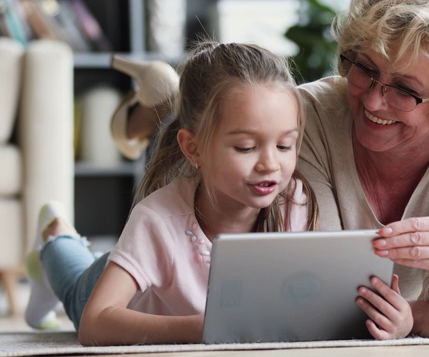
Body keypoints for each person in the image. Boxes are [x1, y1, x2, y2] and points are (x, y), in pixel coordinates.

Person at [104, 0, 429, 339]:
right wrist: (416, 318)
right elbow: (320, 291)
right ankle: (61, 240)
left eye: (404, 90)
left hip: (204, 279)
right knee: (88, 279)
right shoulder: (305, 116)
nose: (371, 100)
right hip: (173, 262)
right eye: (365, 69)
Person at [24, 41, 333, 345]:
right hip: (105, 289)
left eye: (284, 145)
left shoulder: (294, 202)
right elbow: (94, 324)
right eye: (246, 147)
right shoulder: (158, 218)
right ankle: (54, 236)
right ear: (193, 148)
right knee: (75, 276)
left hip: (144, 263)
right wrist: (202, 329)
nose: (270, 164)